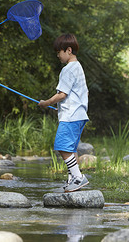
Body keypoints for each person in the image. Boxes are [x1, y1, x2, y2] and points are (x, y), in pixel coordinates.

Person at [39, 34, 89, 192]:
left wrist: (46, 103)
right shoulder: (78, 67)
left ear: (68, 50)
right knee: (71, 149)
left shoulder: (67, 69)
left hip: (71, 116)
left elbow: (62, 94)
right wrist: (61, 107)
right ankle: (72, 180)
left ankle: (79, 177)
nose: (58, 55)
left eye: (59, 52)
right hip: (79, 115)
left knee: (62, 146)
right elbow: (81, 94)